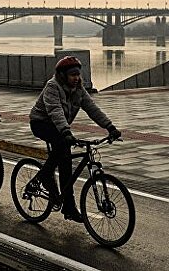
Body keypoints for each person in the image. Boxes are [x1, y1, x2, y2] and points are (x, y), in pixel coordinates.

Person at [29, 56, 121, 222]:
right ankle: (44, 176)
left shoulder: (79, 89)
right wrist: (66, 132)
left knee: (66, 166)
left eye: (78, 74)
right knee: (61, 147)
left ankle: (69, 208)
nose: (76, 78)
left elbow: (92, 109)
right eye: (72, 75)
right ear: (63, 75)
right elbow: (55, 110)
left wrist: (110, 127)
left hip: (60, 127)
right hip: (41, 123)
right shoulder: (52, 86)